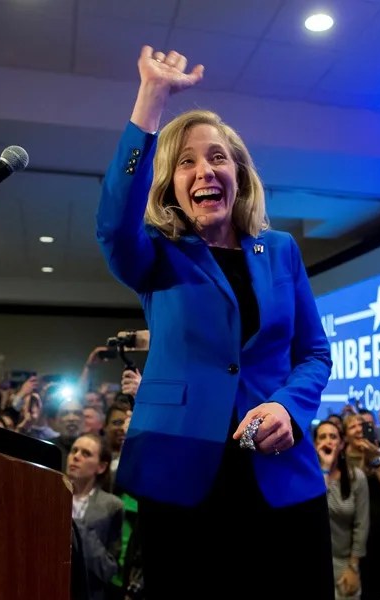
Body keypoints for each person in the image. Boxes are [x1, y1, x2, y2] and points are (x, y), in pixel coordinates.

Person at [94, 46, 334, 598]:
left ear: (239, 173)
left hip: (279, 474)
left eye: (218, 157)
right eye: (186, 161)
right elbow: (112, 222)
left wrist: (289, 406)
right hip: (180, 474)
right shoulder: (154, 253)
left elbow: (314, 353)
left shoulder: (280, 251)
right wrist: (151, 100)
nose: (205, 169)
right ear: (171, 185)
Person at [315, 420, 370, 599]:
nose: (328, 441)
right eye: (322, 437)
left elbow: (362, 524)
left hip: (345, 563)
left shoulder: (356, 477)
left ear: (341, 443)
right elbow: (317, 512)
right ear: (315, 444)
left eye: (333, 436)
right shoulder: (309, 477)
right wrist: (324, 469)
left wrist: (353, 567)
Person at [66, 433, 124, 600]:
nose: (76, 457)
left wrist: (76, 528)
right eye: (74, 450)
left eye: (86, 453)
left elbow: (109, 569)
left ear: (101, 467)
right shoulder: (48, 495)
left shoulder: (112, 506)